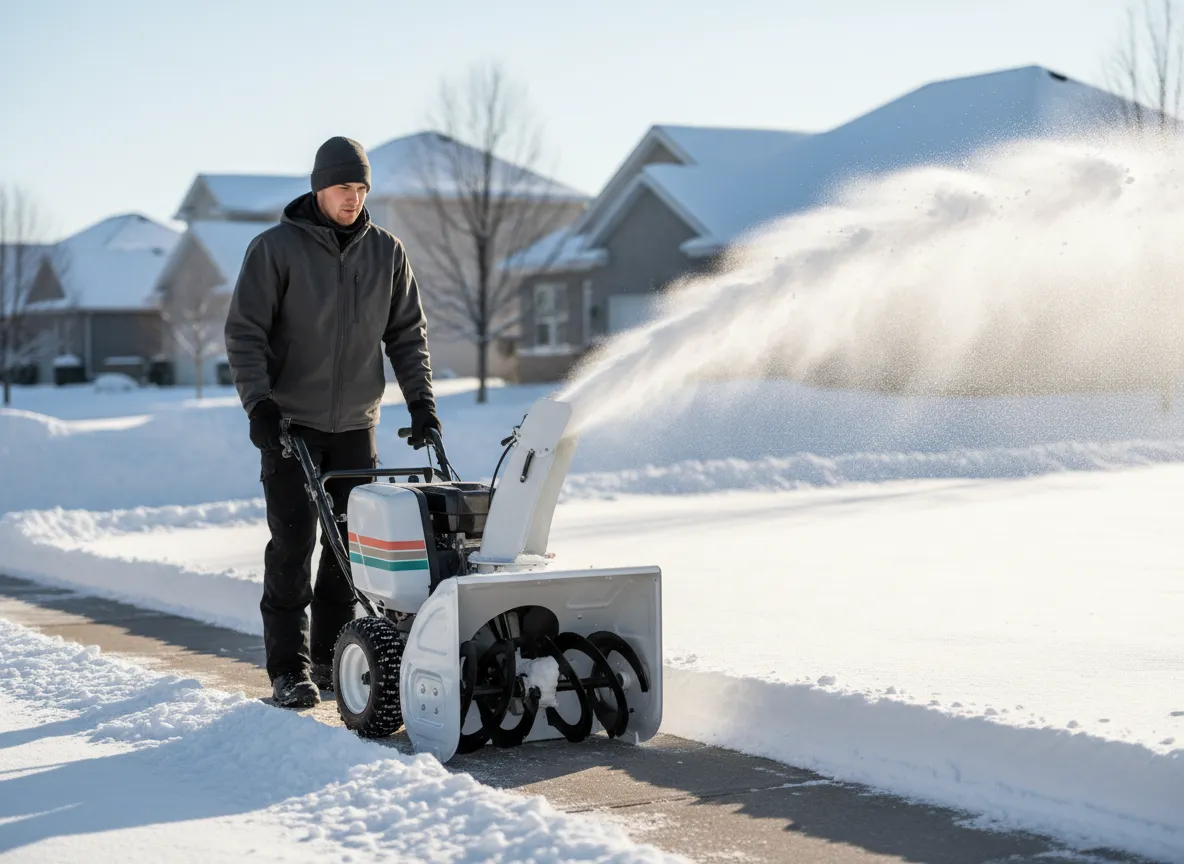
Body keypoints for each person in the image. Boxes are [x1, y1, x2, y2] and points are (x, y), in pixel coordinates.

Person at [224, 135, 441, 709]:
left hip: (354, 424)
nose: (354, 198)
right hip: (290, 424)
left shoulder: (386, 252)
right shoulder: (274, 249)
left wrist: (422, 404)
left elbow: (406, 334)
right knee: (293, 543)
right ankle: (288, 670)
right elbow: (245, 333)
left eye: (362, 188)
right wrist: (260, 406)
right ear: (320, 187)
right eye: (345, 187)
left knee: (351, 549)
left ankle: (330, 660)